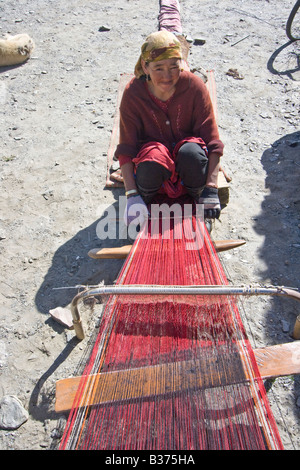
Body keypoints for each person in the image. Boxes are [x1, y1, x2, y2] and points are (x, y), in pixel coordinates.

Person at [114, 31, 224, 228]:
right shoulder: (133, 94)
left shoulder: (194, 87)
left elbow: (213, 140)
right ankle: (146, 204)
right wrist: (131, 195)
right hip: (153, 171)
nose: (167, 76)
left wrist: (211, 188)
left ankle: (197, 203)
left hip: (189, 168)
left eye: (174, 66)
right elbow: (126, 148)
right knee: (153, 159)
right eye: (158, 68)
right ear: (145, 67)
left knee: (191, 153)